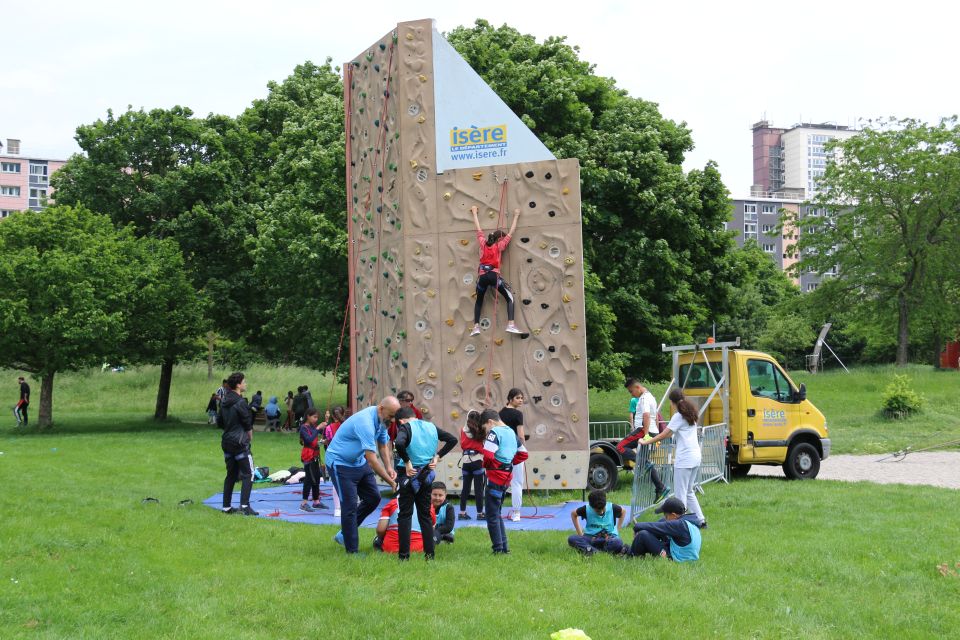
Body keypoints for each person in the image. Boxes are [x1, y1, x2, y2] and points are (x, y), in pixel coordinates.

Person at [325, 396, 400, 554]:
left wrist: (389, 467)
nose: (392, 420)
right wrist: (391, 483)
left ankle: (344, 534)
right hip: (340, 464)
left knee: (373, 498)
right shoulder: (365, 422)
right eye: (391, 416)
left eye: (394, 416)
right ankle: (352, 551)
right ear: (381, 409)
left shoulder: (382, 421)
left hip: (358, 462)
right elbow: (372, 461)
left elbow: (382, 443)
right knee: (349, 506)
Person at [393, 407, 458, 561]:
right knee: (425, 516)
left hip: (408, 475)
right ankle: (430, 555)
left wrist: (408, 462)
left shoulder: (405, 427)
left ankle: (404, 557)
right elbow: (452, 440)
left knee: (405, 515)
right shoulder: (431, 427)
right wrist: (437, 457)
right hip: (426, 474)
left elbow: (399, 443)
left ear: (401, 421)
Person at [461, 409, 529, 554]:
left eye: (485, 429)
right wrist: (508, 463)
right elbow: (524, 453)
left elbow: (488, 455)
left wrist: (489, 465)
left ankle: (498, 549)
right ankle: (504, 548)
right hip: (506, 478)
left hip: (495, 478)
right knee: (497, 514)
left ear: (490, 422)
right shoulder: (511, 432)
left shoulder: (494, 433)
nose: (486, 433)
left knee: (492, 516)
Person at [641, 388, 706, 527]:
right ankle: (701, 521)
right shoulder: (691, 413)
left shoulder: (678, 416)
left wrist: (646, 441)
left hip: (685, 459)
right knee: (689, 491)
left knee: (680, 494)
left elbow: (666, 434)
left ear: (672, 402)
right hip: (695, 457)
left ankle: (679, 524)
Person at [470, 205, 523, 336]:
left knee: (479, 301)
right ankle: (511, 324)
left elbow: (478, 228)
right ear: (499, 239)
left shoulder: (483, 243)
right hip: (493, 276)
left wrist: (474, 213)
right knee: (510, 298)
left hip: (482, 277)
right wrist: (516, 215)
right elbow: (511, 232)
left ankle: (476, 327)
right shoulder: (500, 246)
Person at [621, 378, 669, 503]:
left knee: (620, 447)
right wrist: (655, 432)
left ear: (637, 388)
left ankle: (644, 465)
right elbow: (656, 416)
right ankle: (660, 487)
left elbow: (646, 415)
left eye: (631, 391)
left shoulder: (644, 398)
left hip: (643, 431)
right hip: (650, 431)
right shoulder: (650, 396)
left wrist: (646, 435)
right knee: (645, 461)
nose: (631, 394)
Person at [218, 371, 257, 516]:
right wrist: (248, 437)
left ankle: (226, 507)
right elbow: (247, 424)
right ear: (238, 385)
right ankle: (245, 506)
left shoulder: (223, 401)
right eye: (244, 382)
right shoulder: (240, 402)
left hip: (227, 441)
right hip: (240, 443)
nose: (245, 384)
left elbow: (220, 422)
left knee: (231, 474)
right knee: (249, 474)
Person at [629, 497, 702, 562]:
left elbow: (655, 526)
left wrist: (637, 526)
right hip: (682, 554)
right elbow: (658, 527)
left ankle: (631, 557)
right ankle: (633, 549)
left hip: (675, 559)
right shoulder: (688, 522)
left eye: (666, 516)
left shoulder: (679, 525)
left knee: (643, 535)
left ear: (673, 515)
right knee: (660, 524)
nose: (665, 518)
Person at [568, 489, 627, 556]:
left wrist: (617, 530)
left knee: (618, 542)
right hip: (591, 538)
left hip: (608, 539)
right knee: (572, 539)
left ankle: (590, 550)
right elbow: (573, 514)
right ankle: (598, 552)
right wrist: (580, 534)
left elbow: (623, 511)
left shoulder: (612, 507)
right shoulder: (586, 508)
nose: (601, 512)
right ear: (591, 506)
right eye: (598, 511)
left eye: (603, 508)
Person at [499, 388, 527, 522]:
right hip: (515, 451)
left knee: (501, 481)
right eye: (518, 398)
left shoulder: (499, 414)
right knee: (517, 482)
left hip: (502, 452)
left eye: (521, 398)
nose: (520, 400)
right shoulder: (518, 414)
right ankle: (516, 512)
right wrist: (522, 445)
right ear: (510, 399)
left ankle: (496, 510)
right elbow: (521, 435)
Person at [458, 411, 487, 520]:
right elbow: (483, 447)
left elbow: (462, 445)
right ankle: (480, 513)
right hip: (477, 461)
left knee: (465, 488)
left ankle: (462, 512)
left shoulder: (462, 430)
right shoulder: (481, 431)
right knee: (478, 489)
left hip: (466, 461)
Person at [298, 408, 328, 512]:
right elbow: (309, 440)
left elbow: (324, 430)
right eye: (314, 417)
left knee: (316, 478)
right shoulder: (303, 428)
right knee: (309, 479)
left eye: (317, 417)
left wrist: (326, 420)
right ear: (308, 416)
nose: (316, 419)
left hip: (315, 455)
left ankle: (316, 501)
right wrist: (318, 428)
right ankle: (304, 503)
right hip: (308, 456)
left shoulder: (313, 427)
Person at [323, 406, 347, 517]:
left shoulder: (329, 428)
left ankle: (337, 508)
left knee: (335, 483)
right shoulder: (347, 425)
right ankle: (347, 506)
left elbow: (327, 442)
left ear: (333, 416)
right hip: (346, 456)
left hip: (333, 458)